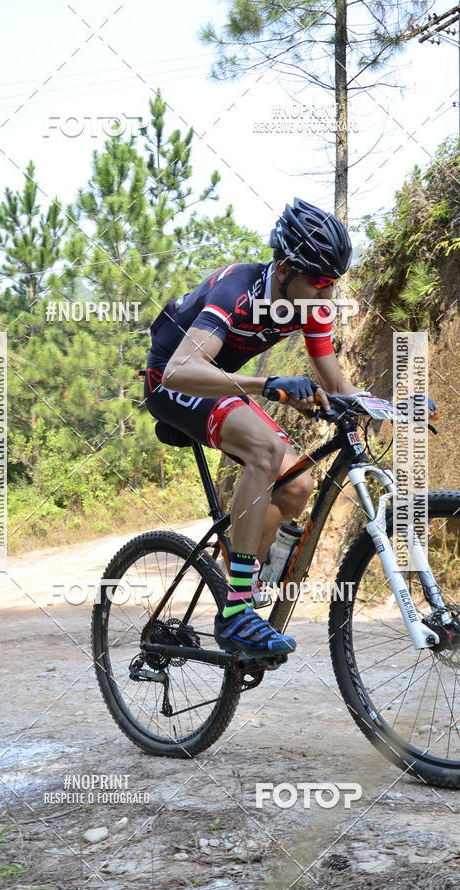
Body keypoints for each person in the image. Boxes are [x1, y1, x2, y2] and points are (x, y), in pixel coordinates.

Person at [143, 197, 363, 657]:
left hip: (219, 382)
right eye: (318, 282)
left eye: (333, 283)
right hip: (172, 380)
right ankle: (237, 610)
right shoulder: (238, 291)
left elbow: (337, 383)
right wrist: (267, 384)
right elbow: (181, 370)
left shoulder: (311, 305)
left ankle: (240, 579)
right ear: (283, 269)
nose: (326, 295)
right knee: (265, 449)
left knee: (298, 483)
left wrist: (397, 406)